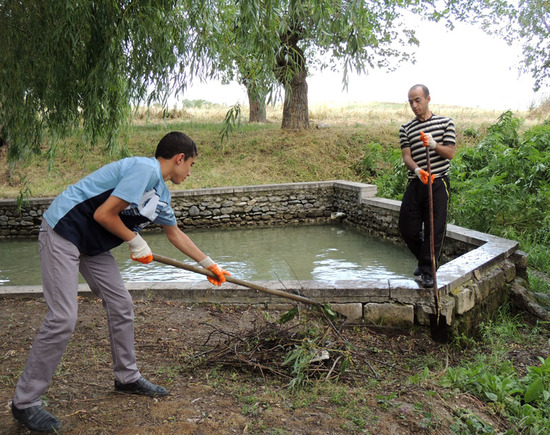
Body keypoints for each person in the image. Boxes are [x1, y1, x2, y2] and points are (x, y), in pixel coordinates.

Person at [11, 131, 231, 433]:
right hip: (64, 230)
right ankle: (25, 402)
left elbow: (174, 233)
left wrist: (209, 266)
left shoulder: (160, 194)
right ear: (179, 158)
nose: (190, 172)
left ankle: (126, 378)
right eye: (191, 164)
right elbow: (104, 214)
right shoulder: (145, 169)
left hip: (92, 245)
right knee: (63, 317)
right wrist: (134, 240)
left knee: (121, 304)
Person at [398, 84, 456, 288]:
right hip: (416, 182)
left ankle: (428, 271)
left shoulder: (445, 123)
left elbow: (449, 153)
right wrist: (417, 171)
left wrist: (433, 145)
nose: (414, 105)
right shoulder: (406, 128)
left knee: (434, 229)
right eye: (410, 101)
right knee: (406, 228)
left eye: (417, 100)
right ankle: (425, 259)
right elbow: (407, 156)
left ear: (428, 99)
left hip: (438, 182)